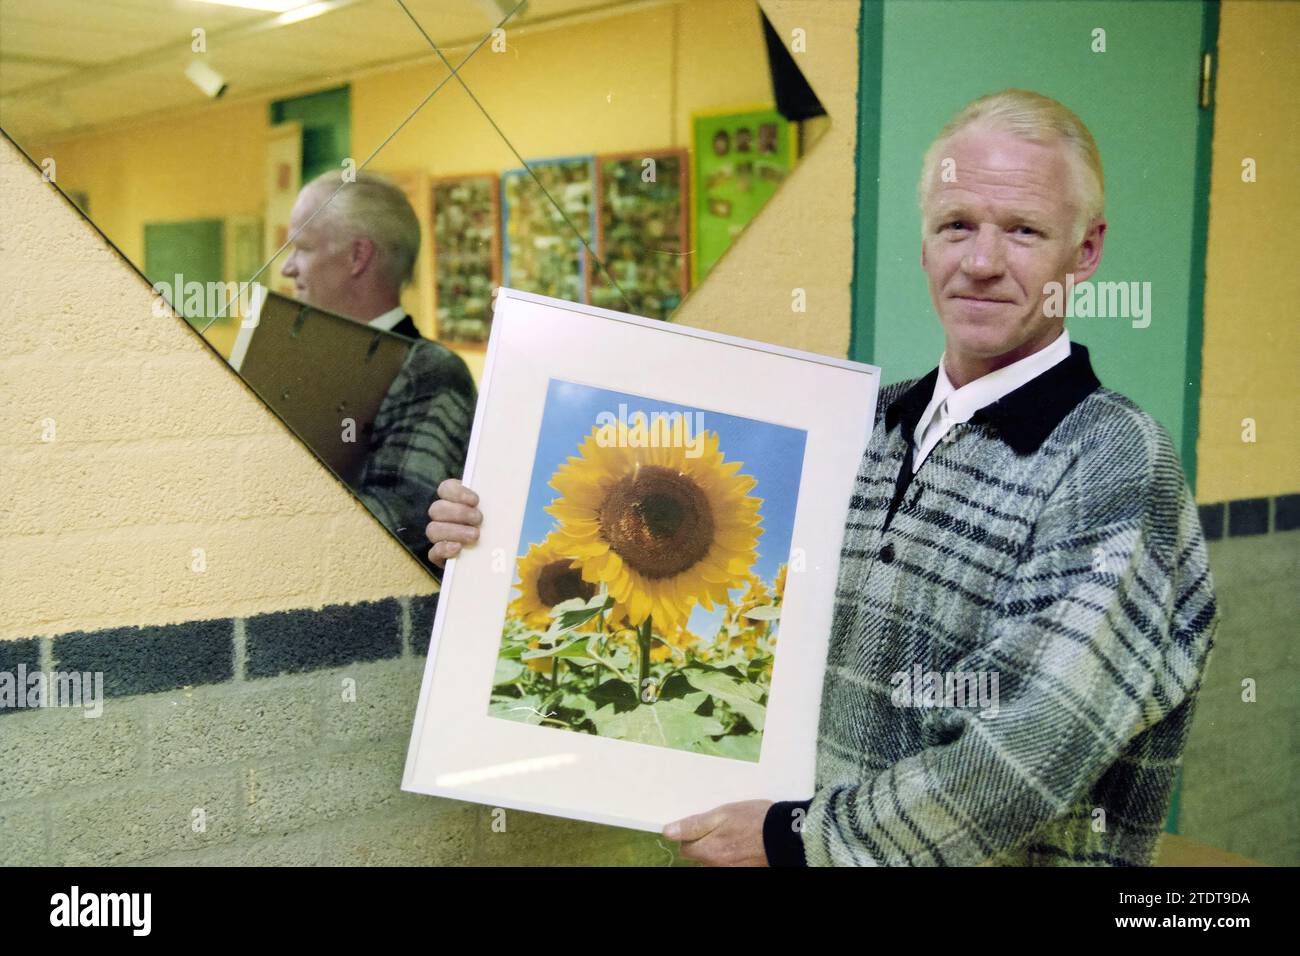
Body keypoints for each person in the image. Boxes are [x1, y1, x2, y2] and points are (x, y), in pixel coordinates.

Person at [423, 90, 1218, 865]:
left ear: (1085, 251)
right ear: (923, 244)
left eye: (1023, 230)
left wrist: (794, 840)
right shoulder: (863, 426)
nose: (981, 261)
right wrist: (497, 534)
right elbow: (747, 617)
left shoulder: (1111, 460)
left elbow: (1028, 752)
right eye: (956, 225)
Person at [282, 171, 475, 573]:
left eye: (301, 248)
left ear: (358, 257)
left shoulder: (431, 374)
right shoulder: (298, 361)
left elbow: (396, 523)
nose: (287, 269)